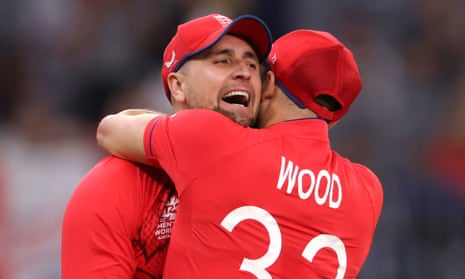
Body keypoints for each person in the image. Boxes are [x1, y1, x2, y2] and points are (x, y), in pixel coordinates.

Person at [96, 29, 384, 278]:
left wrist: (181, 127)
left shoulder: (215, 140)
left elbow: (110, 130)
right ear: (335, 117)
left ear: (269, 84)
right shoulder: (368, 192)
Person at [61, 13, 272, 278]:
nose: (244, 72)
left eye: (252, 65)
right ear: (178, 86)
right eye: (223, 61)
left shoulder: (278, 177)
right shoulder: (116, 186)